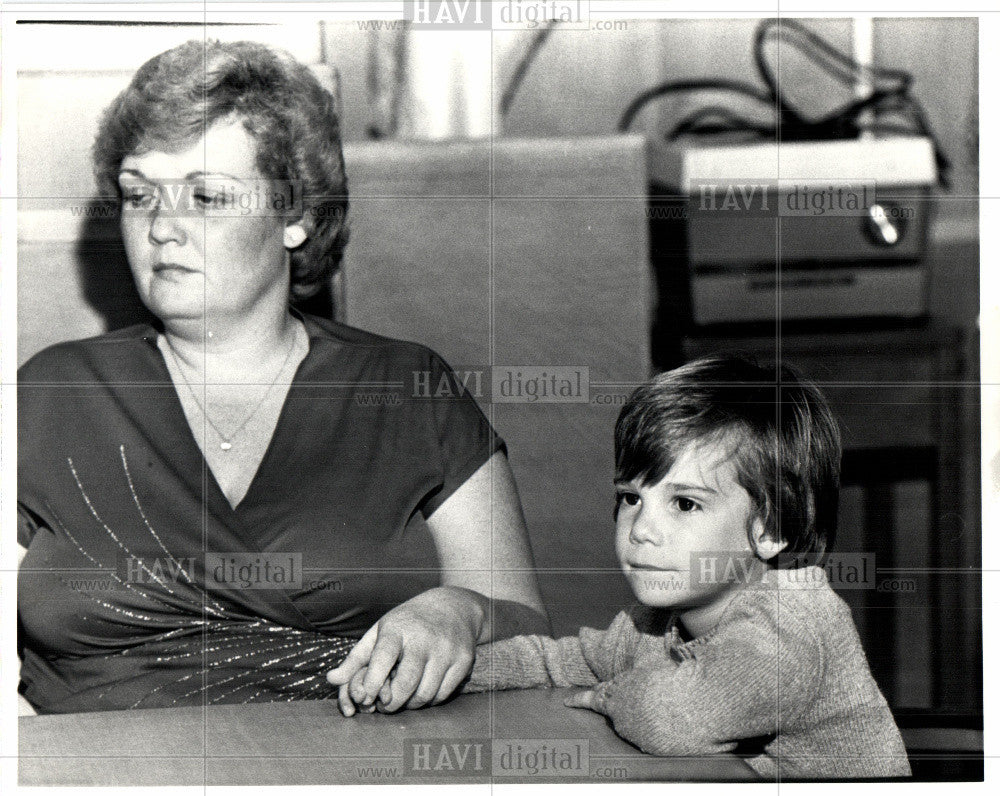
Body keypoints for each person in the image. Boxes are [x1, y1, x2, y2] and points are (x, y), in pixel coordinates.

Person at [17, 38, 548, 715]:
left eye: (206, 196)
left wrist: (464, 614)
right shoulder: (49, 394)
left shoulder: (410, 388)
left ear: (294, 216)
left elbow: (531, 634)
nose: (161, 228)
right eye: (139, 194)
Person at [347, 356, 911, 779]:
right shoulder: (658, 621)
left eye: (684, 504)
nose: (641, 528)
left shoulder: (788, 630)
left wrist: (613, 695)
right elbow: (559, 660)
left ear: (773, 529)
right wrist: (438, 671)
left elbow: (672, 717)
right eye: (631, 497)